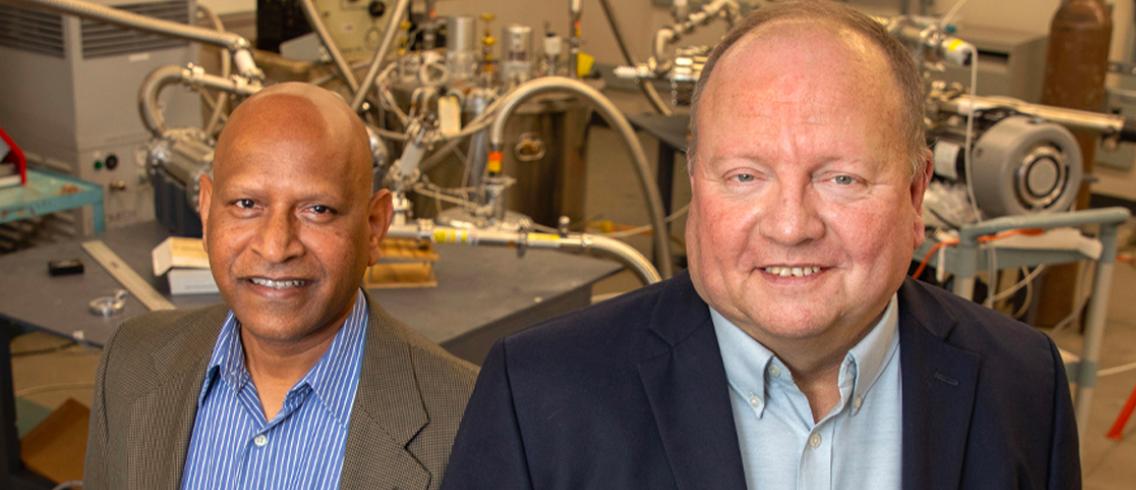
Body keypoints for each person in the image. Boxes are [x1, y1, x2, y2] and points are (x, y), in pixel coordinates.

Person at [441, 2, 1080, 488]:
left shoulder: (1024, 382)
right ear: (697, 188)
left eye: (841, 179)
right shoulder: (540, 394)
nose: (791, 226)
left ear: (916, 196)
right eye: (746, 176)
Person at [84, 83, 477, 489]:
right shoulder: (131, 361)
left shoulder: (467, 417)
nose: (275, 247)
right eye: (246, 204)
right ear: (206, 210)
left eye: (318, 210)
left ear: (374, 226)